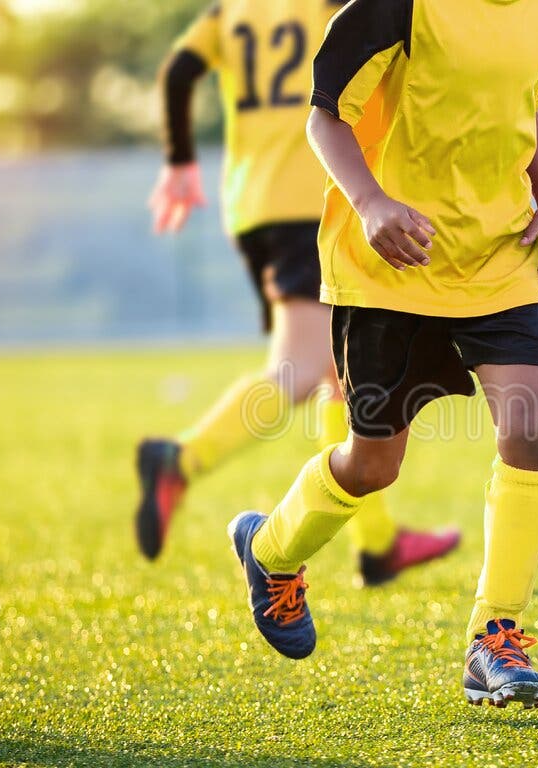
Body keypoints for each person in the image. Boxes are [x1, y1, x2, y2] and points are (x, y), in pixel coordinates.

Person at [224, 0, 538, 710]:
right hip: (390, 263)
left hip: (497, 255)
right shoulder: (397, 5)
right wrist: (371, 202)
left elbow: (522, 103)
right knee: (374, 464)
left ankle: (494, 637)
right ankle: (272, 552)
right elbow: (324, 116)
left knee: (533, 427)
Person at [138, 0, 460, 587]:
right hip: (313, 195)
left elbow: (181, 69)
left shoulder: (230, 11)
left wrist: (181, 160)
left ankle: (377, 542)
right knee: (302, 368)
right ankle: (180, 460)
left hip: (255, 204)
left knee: (339, 373)